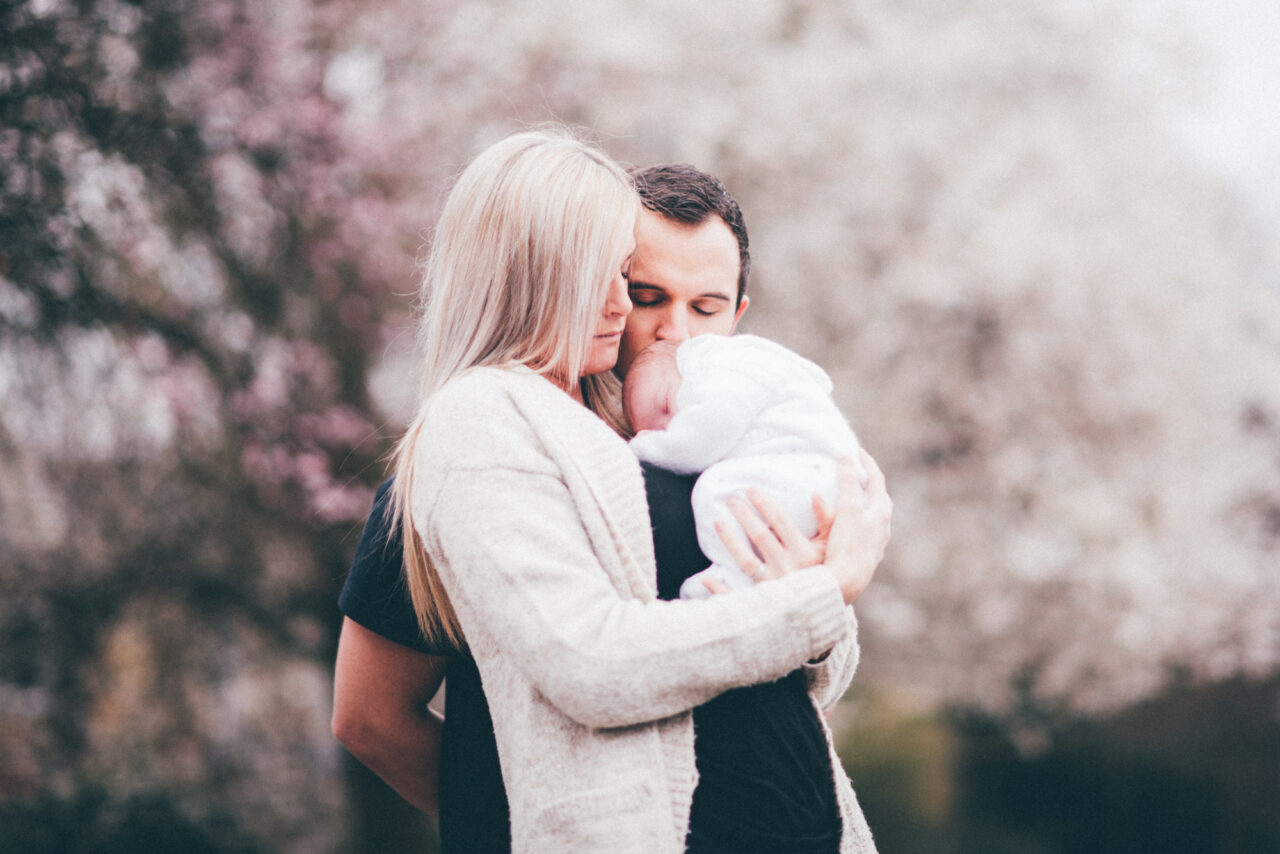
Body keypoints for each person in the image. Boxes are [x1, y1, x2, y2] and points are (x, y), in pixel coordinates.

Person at [332, 145, 890, 853]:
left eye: (707, 307)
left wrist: (820, 602)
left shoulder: (731, 446)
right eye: (644, 291)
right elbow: (370, 716)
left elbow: (808, 678)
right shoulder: (493, 446)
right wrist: (519, 819)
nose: (669, 329)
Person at [624, 333, 867, 600]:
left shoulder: (725, 366)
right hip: (821, 487)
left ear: (687, 363)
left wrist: (643, 447)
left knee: (716, 490)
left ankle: (731, 576)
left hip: (811, 479)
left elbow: (703, 436)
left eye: (666, 406)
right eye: (654, 430)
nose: (669, 428)